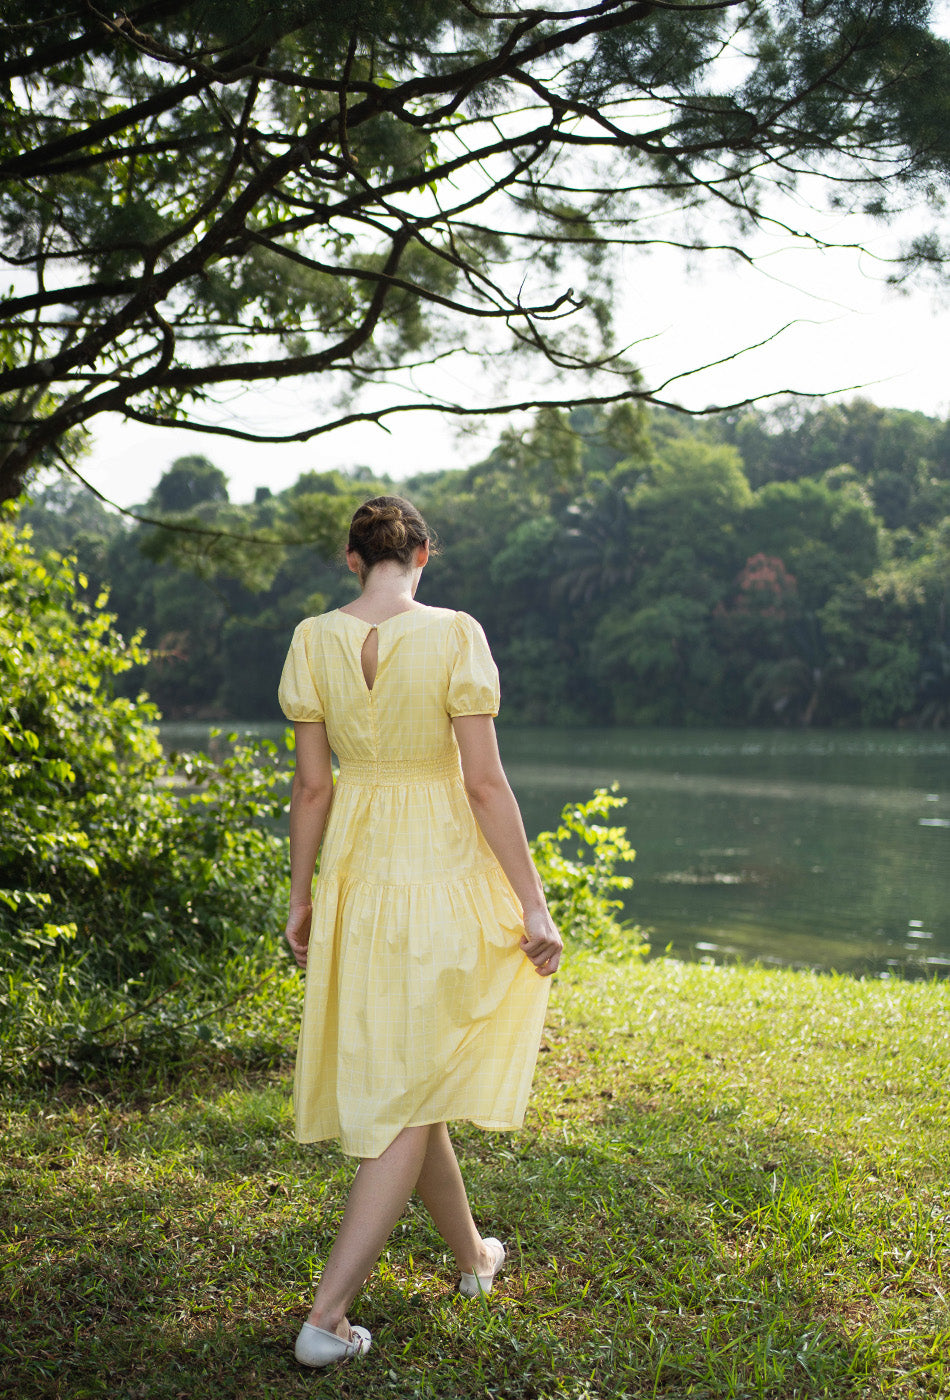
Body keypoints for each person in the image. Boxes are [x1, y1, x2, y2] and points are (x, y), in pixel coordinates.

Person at [277, 494, 562, 1369]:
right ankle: (327, 1319)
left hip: (358, 881)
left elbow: (313, 789)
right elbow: (484, 784)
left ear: (352, 558)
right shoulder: (454, 634)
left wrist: (300, 897)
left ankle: (474, 1258)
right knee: (410, 1091)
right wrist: (533, 903)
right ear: (423, 555)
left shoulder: (312, 640)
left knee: (417, 1073)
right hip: (438, 877)